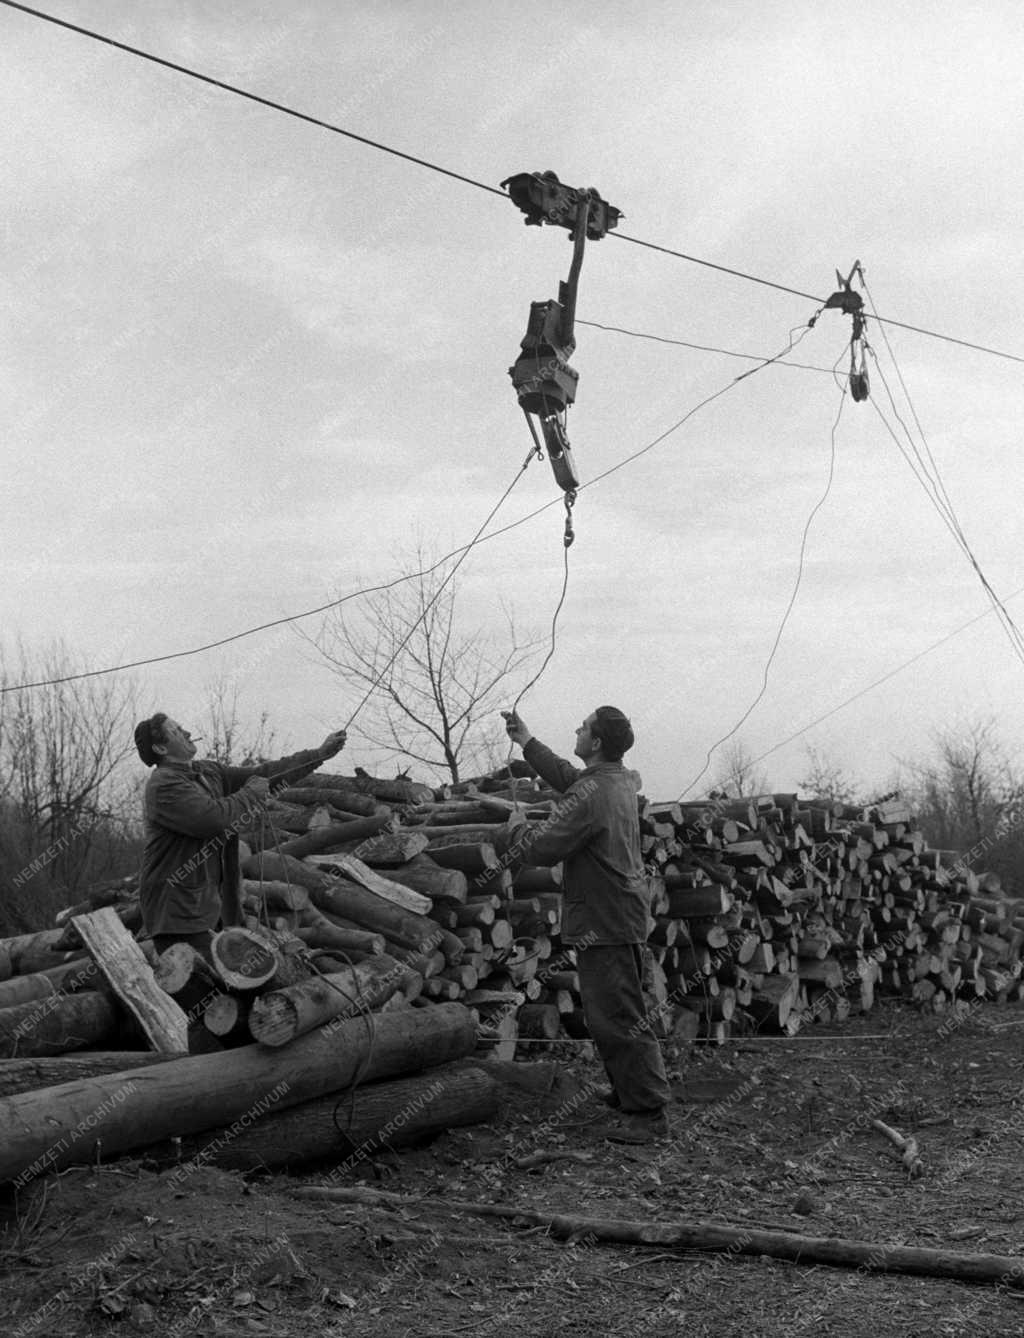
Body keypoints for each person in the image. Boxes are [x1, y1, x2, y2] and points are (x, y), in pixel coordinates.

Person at [503, 705, 671, 1143]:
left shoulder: (596, 792)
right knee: (612, 1013)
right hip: (619, 913)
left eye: (583, 728)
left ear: (595, 743)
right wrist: (527, 741)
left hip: (607, 918)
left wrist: (517, 830)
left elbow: (543, 848)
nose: (576, 729)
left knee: (618, 1016)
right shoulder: (615, 779)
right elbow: (567, 776)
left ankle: (648, 1113)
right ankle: (628, 1093)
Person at [134, 713, 347, 960]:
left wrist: (318, 754)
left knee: (230, 977)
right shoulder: (164, 785)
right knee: (201, 981)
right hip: (176, 911)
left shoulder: (208, 771)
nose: (187, 733)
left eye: (182, 727)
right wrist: (250, 795)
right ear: (161, 748)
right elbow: (213, 820)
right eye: (177, 731)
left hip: (207, 905)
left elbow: (265, 774)